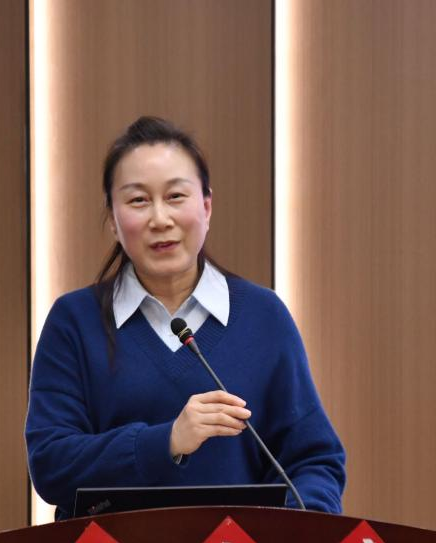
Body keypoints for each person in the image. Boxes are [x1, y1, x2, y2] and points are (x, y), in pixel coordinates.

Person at [26, 116, 345, 520]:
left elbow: (315, 460)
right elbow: (51, 462)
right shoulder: (74, 322)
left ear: (206, 207)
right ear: (113, 219)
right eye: (138, 201)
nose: (160, 219)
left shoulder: (264, 317)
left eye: (176, 196)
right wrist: (167, 441)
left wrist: (300, 531)